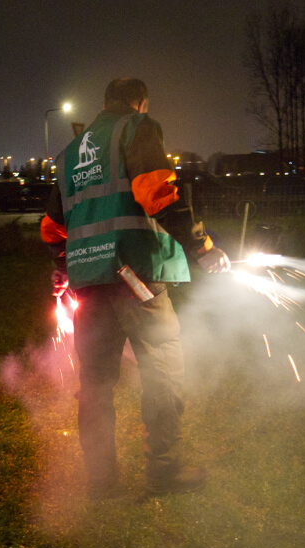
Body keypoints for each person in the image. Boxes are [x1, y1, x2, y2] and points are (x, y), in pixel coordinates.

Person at [40, 78, 230, 498]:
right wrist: (202, 246)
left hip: (89, 287)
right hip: (136, 279)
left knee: (95, 385)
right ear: (139, 103)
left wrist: (65, 265)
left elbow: (51, 228)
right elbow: (157, 194)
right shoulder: (136, 128)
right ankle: (164, 471)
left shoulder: (71, 154)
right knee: (162, 371)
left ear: (103, 104)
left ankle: (102, 483)